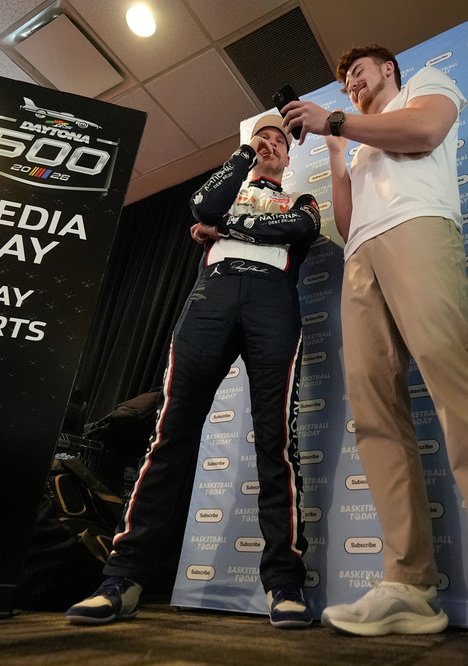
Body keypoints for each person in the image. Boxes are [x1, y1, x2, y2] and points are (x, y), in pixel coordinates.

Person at [280, 45, 468, 662]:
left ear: (388, 69)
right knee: (375, 412)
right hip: (362, 255)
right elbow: (347, 223)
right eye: (344, 82)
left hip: (419, 227)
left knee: (456, 384)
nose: (351, 83)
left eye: (359, 71)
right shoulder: (356, 139)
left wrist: (335, 120)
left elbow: (426, 131)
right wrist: (337, 152)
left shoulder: (423, 85)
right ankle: (409, 586)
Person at [66, 114, 321, 629]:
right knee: (170, 434)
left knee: (275, 441)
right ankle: (123, 577)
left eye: (279, 141)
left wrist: (224, 228)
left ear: (290, 155)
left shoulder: (301, 199)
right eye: (263, 138)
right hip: (212, 300)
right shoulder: (230, 186)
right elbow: (203, 206)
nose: (271, 144)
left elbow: (300, 229)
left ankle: (284, 582)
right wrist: (244, 155)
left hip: (273, 303)